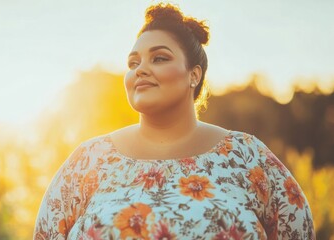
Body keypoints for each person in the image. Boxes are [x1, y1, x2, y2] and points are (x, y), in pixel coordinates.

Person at [33, 3, 315, 240]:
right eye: (133, 63)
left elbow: (299, 230)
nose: (140, 69)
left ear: (194, 75)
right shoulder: (87, 162)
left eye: (159, 58)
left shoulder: (246, 156)